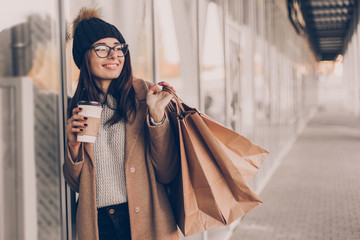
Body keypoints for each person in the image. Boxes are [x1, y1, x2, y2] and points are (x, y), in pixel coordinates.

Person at [63, 8, 180, 240]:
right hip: (98, 224)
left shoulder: (145, 95)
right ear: (83, 56)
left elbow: (167, 172)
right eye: (102, 49)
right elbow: (76, 186)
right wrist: (73, 149)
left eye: (119, 48)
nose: (114, 56)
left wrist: (157, 118)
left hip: (145, 218)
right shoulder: (74, 108)